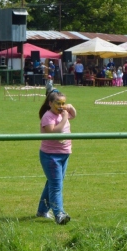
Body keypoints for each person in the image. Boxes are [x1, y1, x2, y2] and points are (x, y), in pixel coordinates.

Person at [37, 88, 77, 225]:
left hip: (64, 154)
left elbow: (74, 114)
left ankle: (42, 211)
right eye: (58, 104)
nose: (61, 107)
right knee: (56, 185)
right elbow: (54, 133)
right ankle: (59, 214)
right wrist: (65, 117)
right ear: (50, 103)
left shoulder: (61, 113)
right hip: (51, 156)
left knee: (52, 183)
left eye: (63, 103)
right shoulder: (48, 117)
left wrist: (70, 107)